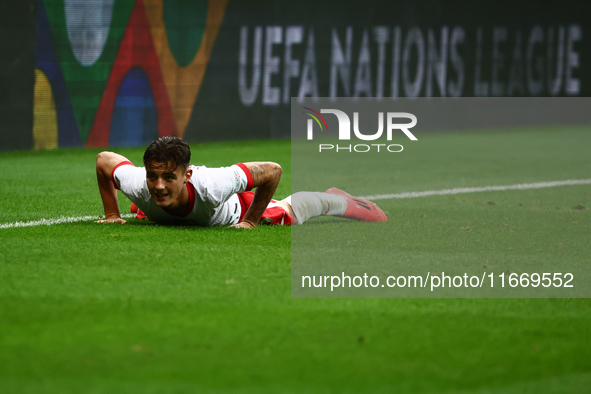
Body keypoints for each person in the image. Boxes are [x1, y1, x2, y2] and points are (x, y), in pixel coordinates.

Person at [95, 137, 387, 228]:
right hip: (167, 210)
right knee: (144, 204)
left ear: (187, 175)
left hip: (235, 208)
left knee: (291, 214)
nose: (158, 185)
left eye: (168, 178)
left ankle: (335, 200)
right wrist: (112, 215)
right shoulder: (137, 183)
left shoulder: (213, 185)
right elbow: (104, 160)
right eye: (153, 176)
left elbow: (273, 170)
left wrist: (249, 221)